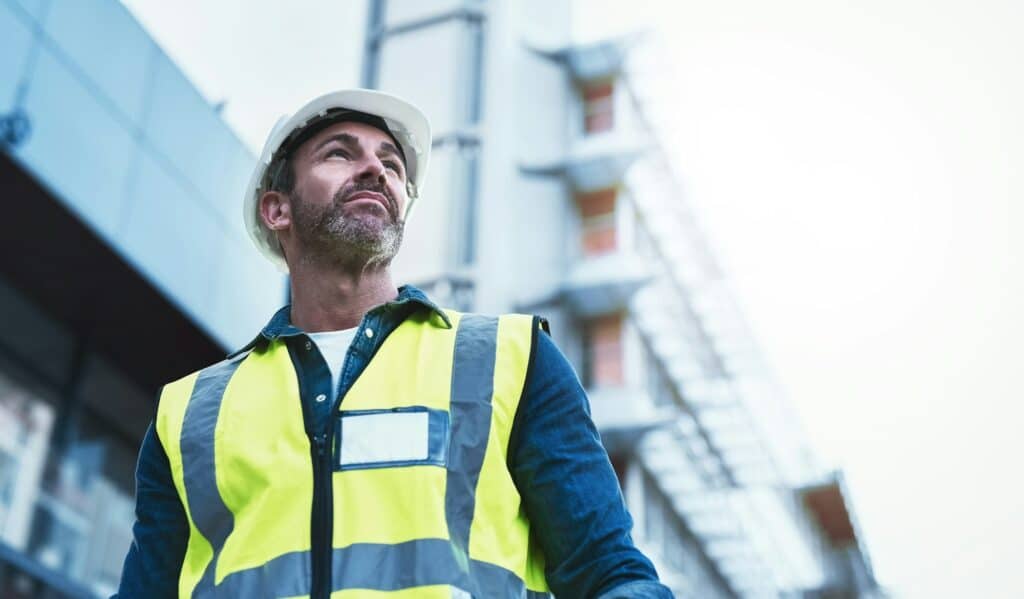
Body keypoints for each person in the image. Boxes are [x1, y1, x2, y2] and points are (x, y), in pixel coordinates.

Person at [115, 89, 672, 598]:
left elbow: (609, 573)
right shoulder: (188, 415)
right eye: (340, 153)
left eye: (392, 163)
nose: (375, 170)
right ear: (277, 208)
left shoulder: (510, 360)